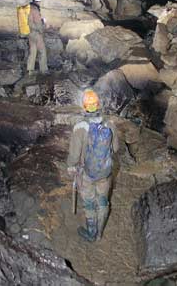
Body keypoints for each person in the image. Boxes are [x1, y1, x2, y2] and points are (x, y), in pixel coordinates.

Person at [67, 89, 120, 242]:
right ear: (98, 106)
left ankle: (91, 232)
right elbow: (115, 148)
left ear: (84, 107)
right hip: (105, 171)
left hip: (87, 173)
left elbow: (74, 155)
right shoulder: (110, 124)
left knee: (89, 201)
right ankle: (100, 233)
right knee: (103, 200)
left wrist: (70, 166)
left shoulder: (80, 127)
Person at [27, 0, 48, 75]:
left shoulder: (28, 7)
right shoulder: (35, 9)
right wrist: (43, 26)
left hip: (29, 33)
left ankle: (30, 70)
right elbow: (38, 24)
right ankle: (44, 70)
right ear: (39, 1)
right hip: (36, 33)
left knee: (32, 51)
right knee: (42, 51)